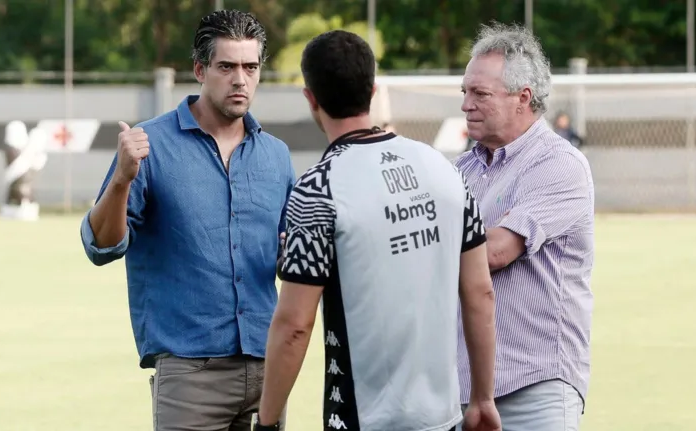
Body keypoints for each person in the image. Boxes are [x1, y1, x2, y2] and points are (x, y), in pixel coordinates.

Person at [254, 30, 501, 431]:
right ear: (372, 89)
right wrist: (483, 398)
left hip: (361, 420)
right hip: (443, 418)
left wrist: (266, 423)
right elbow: (480, 292)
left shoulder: (317, 190)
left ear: (310, 98)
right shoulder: (444, 169)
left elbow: (295, 325)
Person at [79, 10, 295, 431]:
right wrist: (122, 178)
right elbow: (100, 247)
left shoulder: (277, 156)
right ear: (200, 69)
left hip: (269, 371)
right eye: (226, 67)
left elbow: (288, 256)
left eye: (251, 67)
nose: (240, 80)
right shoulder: (150, 146)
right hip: (190, 377)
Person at [454, 23, 595, 431]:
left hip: (536, 389)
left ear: (523, 98)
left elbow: (494, 252)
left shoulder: (559, 165)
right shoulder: (459, 170)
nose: (466, 104)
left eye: (480, 93)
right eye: (464, 92)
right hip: (462, 389)